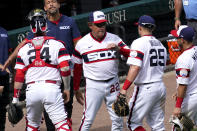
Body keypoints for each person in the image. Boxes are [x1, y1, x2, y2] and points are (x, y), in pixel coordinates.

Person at [3, 0, 82, 130]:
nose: (51, 4)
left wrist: (15, 99)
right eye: (48, 2)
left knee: (32, 126)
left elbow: (19, 75)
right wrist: (67, 88)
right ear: (45, 26)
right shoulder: (57, 44)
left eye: (53, 1)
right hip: (53, 84)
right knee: (62, 123)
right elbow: (65, 67)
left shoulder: (25, 49)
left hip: (32, 90)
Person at [72, 10, 130, 131]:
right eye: (98, 25)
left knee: (118, 119)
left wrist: (119, 48)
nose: (102, 27)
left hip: (113, 83)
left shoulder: (114, 39)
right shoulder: (82, 43)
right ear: (90, 25)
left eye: (103, 24)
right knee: (87, 119)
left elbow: (132, 55)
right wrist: (76, 88)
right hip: (93, 85)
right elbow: (77, 67)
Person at [119, 15, 167, 131]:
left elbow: (135, 67)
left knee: (133, 123)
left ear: (140, 28)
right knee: (158, 126)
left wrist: (124, 88)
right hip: (160, 87)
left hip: (145, 88)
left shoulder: (138, 42)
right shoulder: (161, 45)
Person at [170, 25, 197, 129]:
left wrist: (177, 106)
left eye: (177, 37)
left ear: (183, 40)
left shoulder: (183, 59)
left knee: (176, 127)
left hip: (190, 99)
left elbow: (183, 85)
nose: (176, 39)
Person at [0, 26, 12, 131]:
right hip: (2, 70)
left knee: (3, 106)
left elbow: (9, 52)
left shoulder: (4, 31)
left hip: (5, 75)